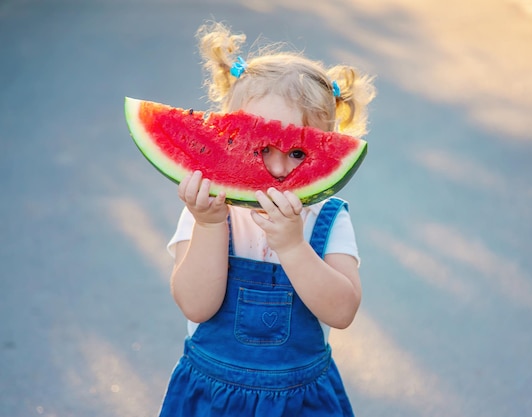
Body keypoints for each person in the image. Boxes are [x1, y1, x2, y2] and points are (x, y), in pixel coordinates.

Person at [158, 21, 376, 417]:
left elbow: (342, 312)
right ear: (227, 136)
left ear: (328, 143)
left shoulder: (327, 218)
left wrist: (293, 245)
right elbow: (195, 306)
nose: (277, 168)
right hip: (212, 399)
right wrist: (209, 224)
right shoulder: (208, 207)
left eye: (298, 153)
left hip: (300, 401)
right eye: (261, 147)